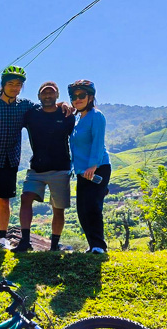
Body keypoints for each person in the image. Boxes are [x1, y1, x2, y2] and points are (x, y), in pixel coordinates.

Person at [0, 66, 71, 248]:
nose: (15, 88)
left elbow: (46, 105)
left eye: (18, 85)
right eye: (11, 84)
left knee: (4, 200)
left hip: (9, 160)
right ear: (2, 85)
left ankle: (1, 238)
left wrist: (63, 103)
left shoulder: (25, 106)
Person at [11, 81, 74, 253]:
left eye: (51, 93)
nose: (48, 96)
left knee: (58, 208)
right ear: (39, 96)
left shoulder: (67, 115)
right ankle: (25, 242)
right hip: (36, 169)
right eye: (44, 93)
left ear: (57, 95)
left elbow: (76, 140)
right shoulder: (31, 115)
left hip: (60, 168)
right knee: (25, 198)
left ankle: (54, 246)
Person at [68, 79, 111, 254]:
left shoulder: (96, 116)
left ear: (90, 97)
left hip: (98, 167)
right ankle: (92, 244)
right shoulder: (77, 120)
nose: (77, 99)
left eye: (81, 95)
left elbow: (98, 142)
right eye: (74, 96)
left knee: (93, 206)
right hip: (81, 171)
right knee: (82, 209)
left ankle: (99, 246)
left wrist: (92, 165)